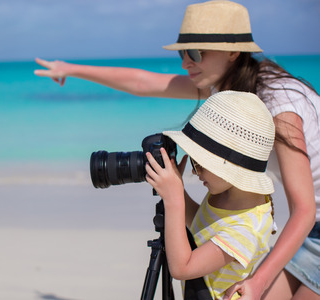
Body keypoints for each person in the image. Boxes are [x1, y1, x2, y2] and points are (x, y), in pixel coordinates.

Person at [34, 1, 320, 299]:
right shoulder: (227, 89)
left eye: (195, 53)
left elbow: (303, 209)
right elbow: (144, 82)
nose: (185, 63)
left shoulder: (279, 104)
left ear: (233, 52)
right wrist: (72, 69)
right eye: (183, 53)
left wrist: (260, 281)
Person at [145, 90, 277, 300]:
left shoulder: (244, 232)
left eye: (200, 164)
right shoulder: (230, 195)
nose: (194, 171)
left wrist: (174, 200)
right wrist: (177, 188)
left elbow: (182, 267)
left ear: (230, 167)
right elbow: (203, 224)